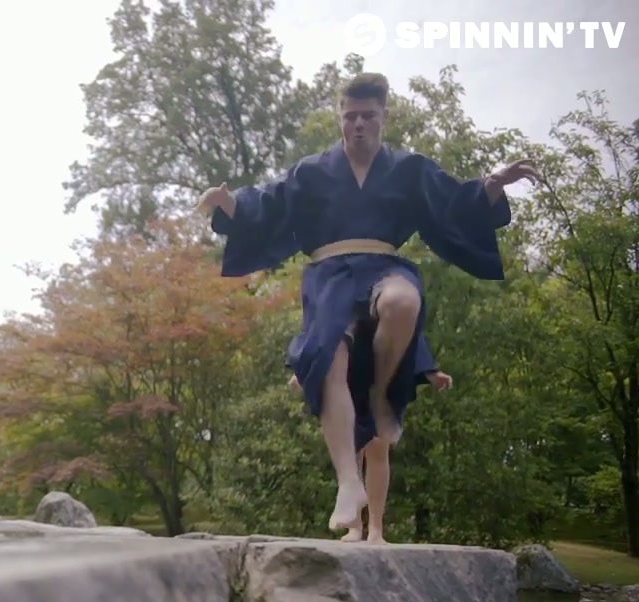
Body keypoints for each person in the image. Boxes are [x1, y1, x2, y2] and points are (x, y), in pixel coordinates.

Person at [197, 72, 539, 536]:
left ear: (384, 117)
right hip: (330, 276)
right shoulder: (311, 172)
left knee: (403, 301)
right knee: (328, 356)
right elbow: (268, 205)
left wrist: (493, 185)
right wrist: (230, 204)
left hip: (383, 265)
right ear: (340, 116)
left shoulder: (409, 169)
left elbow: (456, 203)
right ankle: (347, 482)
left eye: (368, 116)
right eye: (351, 115)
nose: (358, 124)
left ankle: (380, 395)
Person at [287, 349, 451, 543]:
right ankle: (354, 525)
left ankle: (376, 528)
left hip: (382, 375)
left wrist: (430, 370)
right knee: (351, 450)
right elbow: (323, 336)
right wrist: (304, 370)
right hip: (349, 376)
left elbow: (410, 335)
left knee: (378, 448)